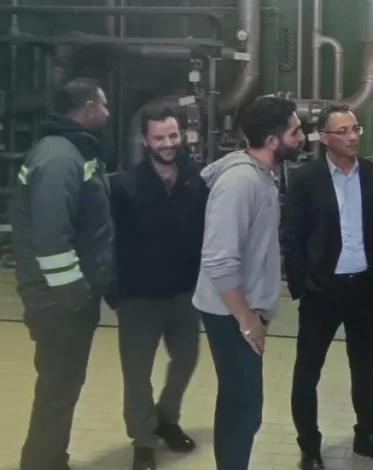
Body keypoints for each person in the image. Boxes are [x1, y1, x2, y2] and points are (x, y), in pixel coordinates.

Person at [282, 104, 373, 470]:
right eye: (343, 131)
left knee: (364, 368)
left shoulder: (372, 175)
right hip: (323, 291)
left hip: (364, 288)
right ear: (324, 138)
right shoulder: (305, 179)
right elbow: (291, 237)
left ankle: (367, 436)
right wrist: (302, 286)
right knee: (308, 372)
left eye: (355, 129)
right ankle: (310, 447)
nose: (352, 137)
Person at [192, 96, 305, 470]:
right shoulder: (240, 183)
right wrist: (246, 319)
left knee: (241, 404)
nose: (302, 137)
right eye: (295, 131)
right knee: (243, 407)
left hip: (242, 308)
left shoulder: (262, 175)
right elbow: (219, 260)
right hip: (230, 312)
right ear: (272, 142)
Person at [12, 77, 113, 470]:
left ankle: (52, 459)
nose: (107, 112)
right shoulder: (59, 158)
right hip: (58, 304)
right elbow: (52, 241)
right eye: (103, 105)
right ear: (87, 108)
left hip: (61, 301)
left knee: (62, 388)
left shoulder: (69, 151)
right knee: (57, 391)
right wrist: (75, 298)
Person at [110, 107, 208, 470]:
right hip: (139, 298)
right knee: (137, 374)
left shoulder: (196, 181)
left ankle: (166, 419)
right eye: (159, 137)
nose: (168, 143)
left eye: (173, 135)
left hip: (184, 294)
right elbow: (109, 242)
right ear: (145, 140)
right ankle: (142, 440)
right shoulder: (125, 187)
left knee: (186, 360)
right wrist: (114, 292)